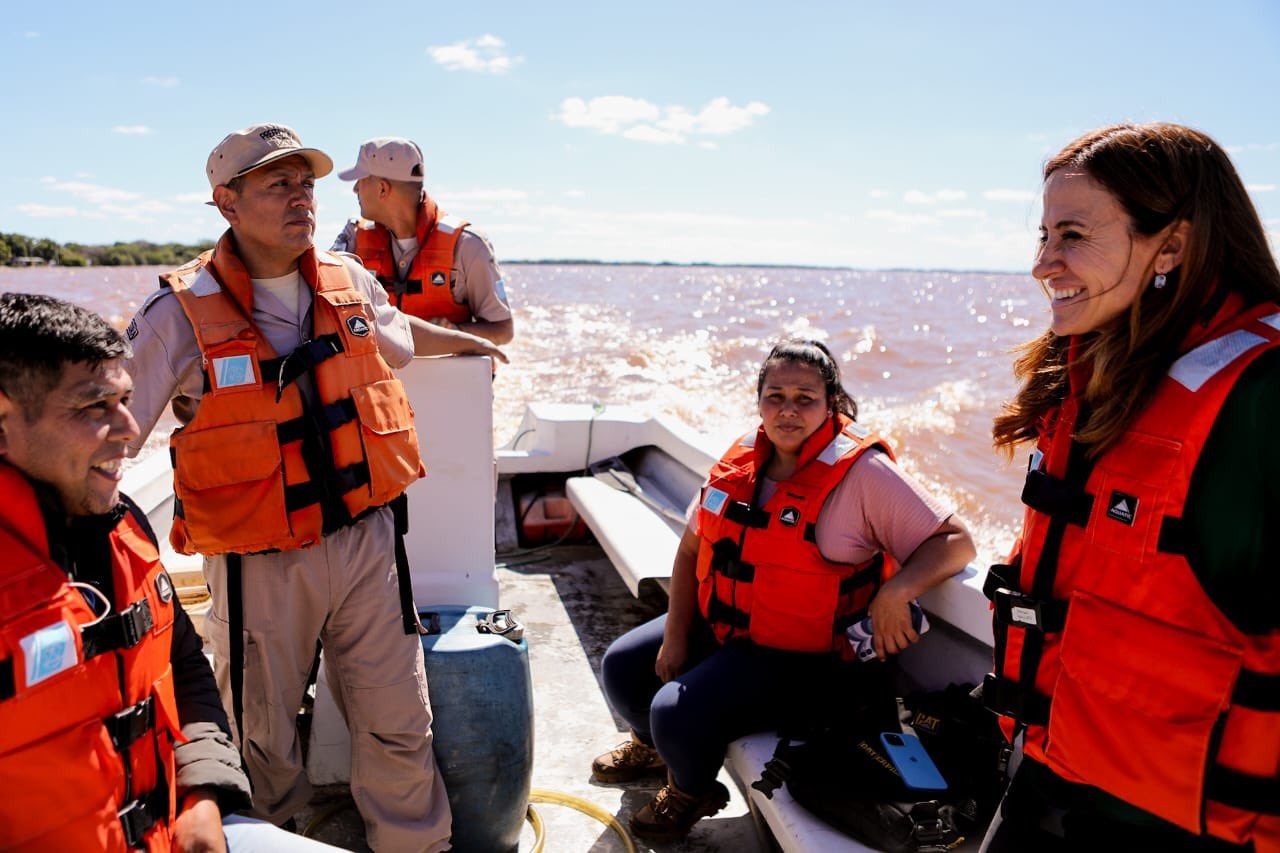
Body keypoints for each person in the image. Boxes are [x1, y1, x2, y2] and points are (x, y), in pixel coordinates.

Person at [123, 123, 505, 852]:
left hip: (367, 543)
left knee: (399, 722)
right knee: (259, 741)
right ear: (227, 203)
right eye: (279, 184)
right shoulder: (176, 313)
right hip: (259, 560)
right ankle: (267, 841)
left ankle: (416, 845)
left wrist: (472, 342)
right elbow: (112, 427)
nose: (302, 197)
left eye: (306, 183)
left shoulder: (348, 280)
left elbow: (399, 335)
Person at [983, 122, 1280, 852]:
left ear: (1170, 247)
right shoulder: (1094, 369)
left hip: (1183, 822)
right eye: (1044, 236)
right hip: (1057, 774)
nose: (1042, 264)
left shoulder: (1263, 397)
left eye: (1073, 235)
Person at [593, 339, 977, 842]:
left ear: (831, 404)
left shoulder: (865, 475)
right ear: (759, 402)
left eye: (805, 398)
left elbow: (955, 541)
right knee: (623, 668)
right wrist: (676, 634)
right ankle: (651, 749)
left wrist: (896, 592)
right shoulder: (742, 460)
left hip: (809, 663)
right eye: (775, 396)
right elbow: (690, 551)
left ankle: (690, 791)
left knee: (674, 711)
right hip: (734, 629)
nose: (788, 410)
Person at [0, 293, 338, 852]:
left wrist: (203, 794)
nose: (130, 428)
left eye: (126, 400)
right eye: (94, 407)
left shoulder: (124, 527)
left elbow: (181, 665)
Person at [331, 137, 514, 344]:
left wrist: (454, 332)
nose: (355, 188)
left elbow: (503, 330)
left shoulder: (468, 246)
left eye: (361, 180)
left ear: (382, 189)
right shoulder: (353, 238)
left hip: (447, 366)